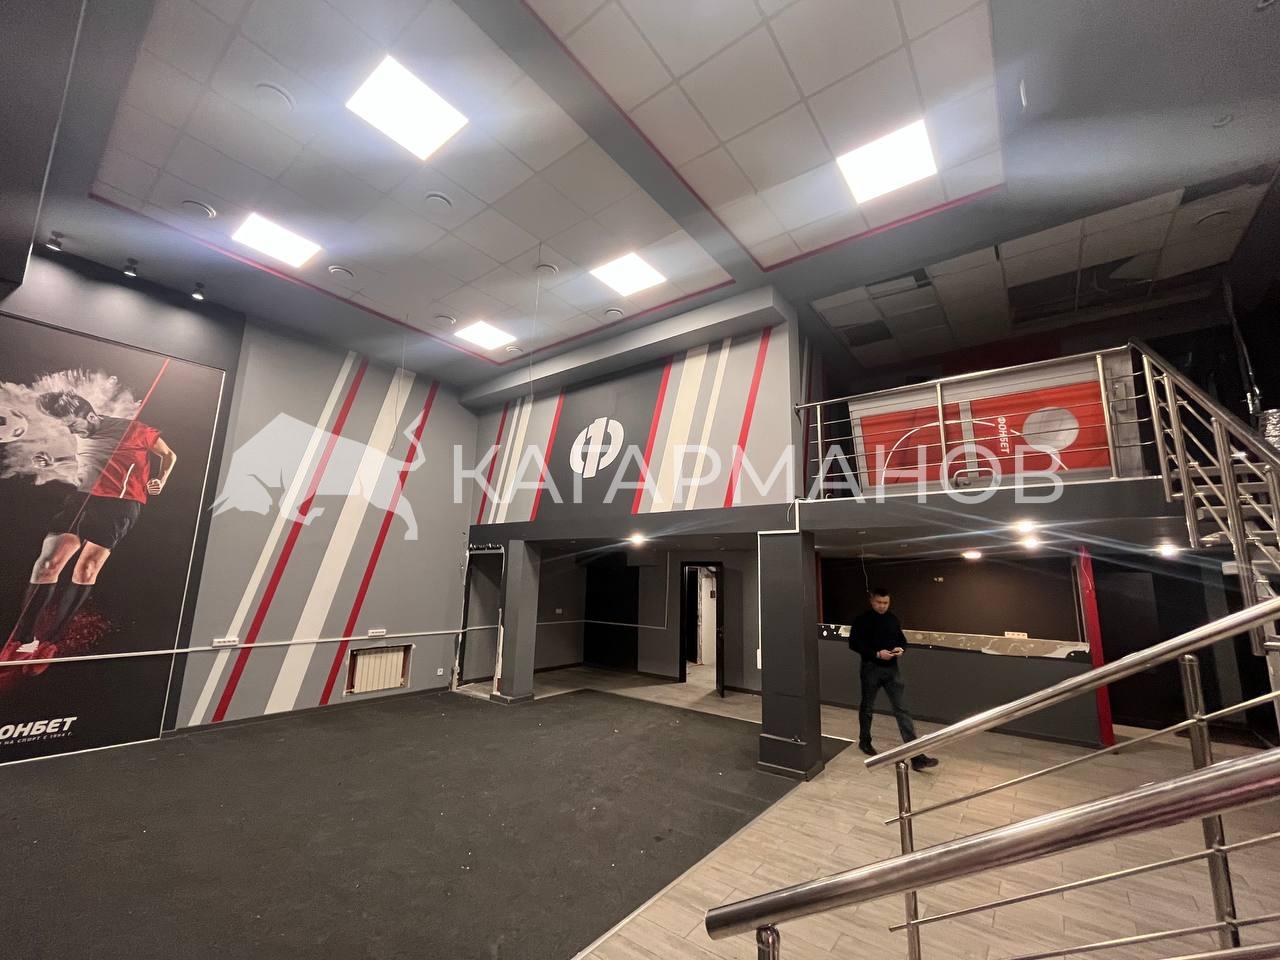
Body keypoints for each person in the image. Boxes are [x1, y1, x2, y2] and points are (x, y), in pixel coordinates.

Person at [0, 390, 176, 689]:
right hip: (83, 498)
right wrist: (52, 463)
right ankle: (24, 639)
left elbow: (169, 455)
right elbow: (88, 463)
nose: (71, 431)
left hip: (121, 503)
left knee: (86, 569)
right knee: (47, 564)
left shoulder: (134, 430)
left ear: (91, 416)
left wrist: (160, 479)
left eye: (73, 425)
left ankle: (50, 643)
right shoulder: (82, 433)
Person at [850, 587, 938, 771]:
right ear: (872, 601)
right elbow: (854, 643)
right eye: (879, 602)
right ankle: (865, 741)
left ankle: (917, 757)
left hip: (892, 670)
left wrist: (901, 649)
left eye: (886, 603)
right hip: (871, 669)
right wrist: (876, 654)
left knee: (902, 710)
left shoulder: (892, 619)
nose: (882, 606)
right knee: (867, 708)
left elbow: (902, 639)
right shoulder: (862, 620)